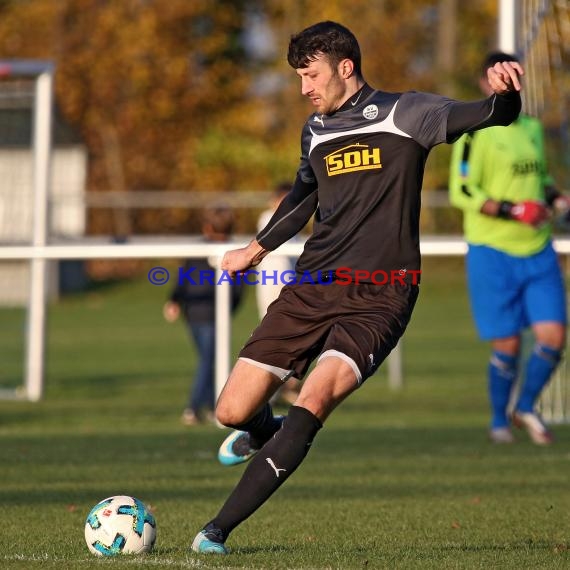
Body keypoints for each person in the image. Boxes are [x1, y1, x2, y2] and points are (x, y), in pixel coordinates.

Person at [191, 21, 524, 555]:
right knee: (231, 411)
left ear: (345, 67)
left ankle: (216, 530)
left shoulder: (408, 113)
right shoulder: (315, 129)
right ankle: (263, 430)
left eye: (312, 74)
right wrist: (253, 252)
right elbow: (301, 199)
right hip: (312, 288)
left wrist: (506, 92)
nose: (305, 87)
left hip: (380, 295)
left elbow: (486, 114)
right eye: (300, 76)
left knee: (315, 398)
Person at [449, 51, 569, 446]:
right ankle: (499, 420)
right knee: (509, 343)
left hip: (538, 249)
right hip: (492, 251)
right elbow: (463, 190)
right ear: (487, 84)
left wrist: (554, 198)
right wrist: (514, 210)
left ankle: (526, 406)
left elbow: (542, 178)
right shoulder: (474, 132)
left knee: (553, 336)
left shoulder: (532, 128)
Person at [163, 204, 244, 426]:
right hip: (199, 313)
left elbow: (182, 277)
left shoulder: (230, 251)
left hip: (199, 313)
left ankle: (208, 406)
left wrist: (174, 300)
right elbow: (185, 277)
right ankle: (193, 408)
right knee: (209, 360)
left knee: (209, 359)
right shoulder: (232, 252)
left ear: (207, 227)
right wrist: (174, 299)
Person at [256, 181, 302, 405]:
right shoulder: (268, 218)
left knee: (292, 337)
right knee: (272, 335)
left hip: (291, 287)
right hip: (271, 286)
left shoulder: (295, 219)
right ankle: (271, 390)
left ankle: (286, 385)